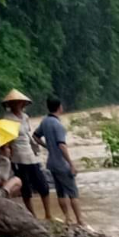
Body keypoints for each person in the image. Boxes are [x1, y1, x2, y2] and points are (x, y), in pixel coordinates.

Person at [33, 96, 85, 226]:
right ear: (59, 107)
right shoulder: (58, 125)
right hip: (62, 164)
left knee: (60, 192)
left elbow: (35, 136)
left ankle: (67, 218)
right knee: (73, 193)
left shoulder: (44, 121)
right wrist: (71, 164)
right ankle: (80, 220)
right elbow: (62, 145)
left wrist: (47, 146)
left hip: (51, 163)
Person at [2, 89, 52, 220]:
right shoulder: (7, 119)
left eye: (19, 102)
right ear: (10, 104)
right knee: (25, 189)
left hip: (30, 155)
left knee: (43, 185)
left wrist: (38, 147)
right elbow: (6, 142)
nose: (17, 104)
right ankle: (32, 215)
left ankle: (48, 214)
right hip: (18, 158)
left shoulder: (25, 117)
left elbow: (28, 135)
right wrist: (7, 155)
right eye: (14, 102)